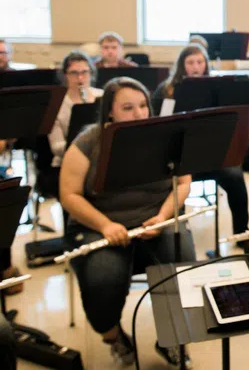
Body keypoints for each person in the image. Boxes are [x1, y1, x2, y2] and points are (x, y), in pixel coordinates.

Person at [60, 77, 194, 366]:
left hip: (155, 222)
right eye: (128, 107)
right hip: (99, 227)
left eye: (144, 105)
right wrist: (105, 225)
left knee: (182, 260)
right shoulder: (88, 141)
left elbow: (183, 184)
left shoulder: (165, 136)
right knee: (103, 277)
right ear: (110, 111)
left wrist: (161, 217)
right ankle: (113, 336)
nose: (139, 114)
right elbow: (69, 195)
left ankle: (172, 337)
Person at [151, 44, 249, 245]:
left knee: (236, 177)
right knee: (176, 185)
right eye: (190, 62)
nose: (195, 67)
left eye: (199, 62)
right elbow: (162, 123)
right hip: (181, 157)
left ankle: (242, 234)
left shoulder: (217, 87)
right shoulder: (168, 90)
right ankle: (178, 234)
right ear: (182, 65)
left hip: (212, 154)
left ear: (206, 64)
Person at [49, 51, 103, 169]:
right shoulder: (57, 104)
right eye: (74, 73)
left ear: (91, 73)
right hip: (66, 163)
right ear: (65, 75)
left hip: (98, 161)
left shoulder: (102, 96)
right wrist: (83, 147)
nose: (80, 78)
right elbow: (56, 146)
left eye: (84, 72)